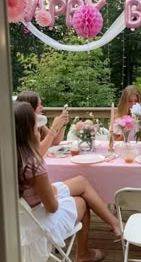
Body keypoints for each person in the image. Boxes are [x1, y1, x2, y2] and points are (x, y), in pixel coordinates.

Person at [15, 101, 120, 262]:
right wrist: (56, 195)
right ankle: (83, 254)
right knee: (82, 201)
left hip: (22, 215)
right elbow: (52, 207)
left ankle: (114, 224)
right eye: (36, 125)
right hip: (39, 220)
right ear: (28, 130)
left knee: (81, 181)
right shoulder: (34, 164)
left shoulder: (11, 156)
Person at [16, 90, 69, 156]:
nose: (42, 107)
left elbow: (55, 141)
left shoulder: (39, 124)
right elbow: (38, 152)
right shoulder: (22, 127)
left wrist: (63, 124)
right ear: (29, 108)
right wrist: (53, 128)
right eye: (38, 105)